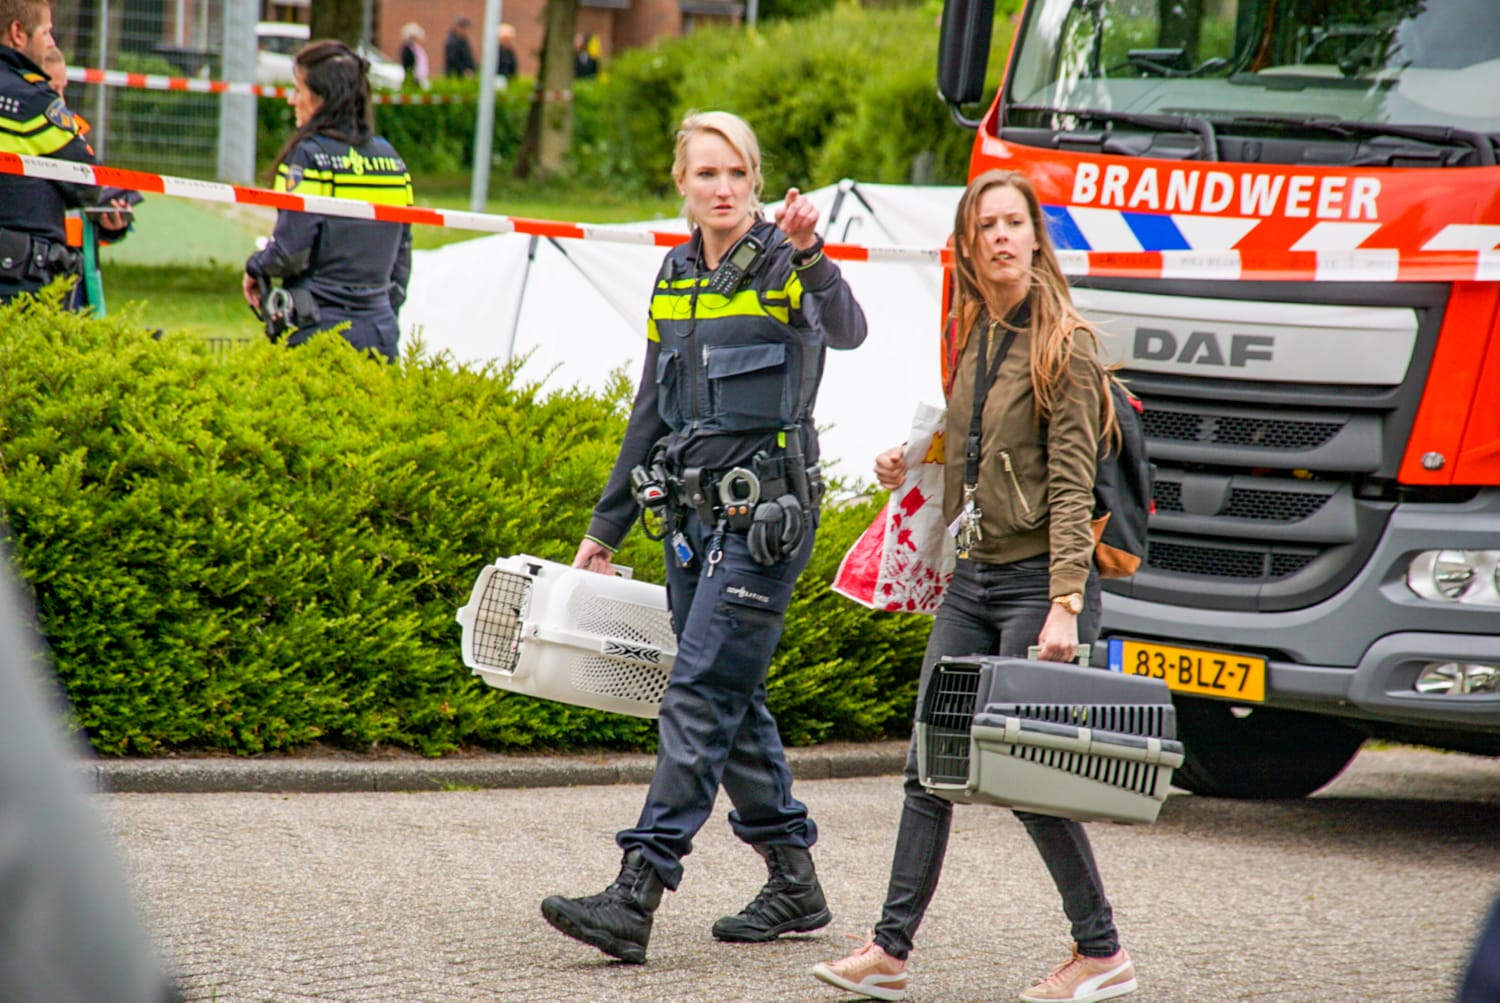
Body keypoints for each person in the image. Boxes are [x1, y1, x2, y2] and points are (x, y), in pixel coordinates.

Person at [540, 110, 868, 965]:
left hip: (766, 520)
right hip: (688, 519)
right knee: (730, 692)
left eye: (738, 174)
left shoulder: (786, 262)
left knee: (696, 691)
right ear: (681, 184)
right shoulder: (675, 272)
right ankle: (794, 880)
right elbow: (650, 404)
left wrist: (813, 254)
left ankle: (637, 889)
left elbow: (851, 327)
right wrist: (605, 526)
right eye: (706, 174)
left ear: (757, 182)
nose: (723, 189)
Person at [810, 168, 1137, 1003]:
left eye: (1012, 223)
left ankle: (1100, 950)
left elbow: (1070, 485)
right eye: (984, 224)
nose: (999, 237)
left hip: (1038, 583)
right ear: (968, 242)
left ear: (1035, 238)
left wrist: (1066, 604)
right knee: (930, 763)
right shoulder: (977, 330)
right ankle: (889, 948)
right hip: (974, 578)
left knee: (1027, 775)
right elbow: (978, 434)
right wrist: (914, 455)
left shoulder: (1067, 344)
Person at [242, 39, 413, 362]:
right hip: (379, 331)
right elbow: (401, 258)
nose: (292, 100)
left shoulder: (308, 158)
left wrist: (255, 267)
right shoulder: (392, 162)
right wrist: (380, 311)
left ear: (322, 99)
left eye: (298, 89)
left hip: (316, 329)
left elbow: (290, 252)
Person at [0, 0, 105, 305]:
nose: (51, 42)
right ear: (17, 33)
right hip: (16, 285)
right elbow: (87, 183)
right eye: (45, 33)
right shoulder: (30, 101)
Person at [41, 44, 136, 313]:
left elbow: (85, 225)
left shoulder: (76, 138)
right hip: (34, 269)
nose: (60, 100)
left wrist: (110, 226)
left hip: (77, 275)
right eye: (52, 90)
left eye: (63, 88)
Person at [398, 22, 429, 89]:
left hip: (416, 77)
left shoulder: (415, 49)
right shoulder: (407, 49)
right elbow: (408, 64)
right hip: (411, 77)